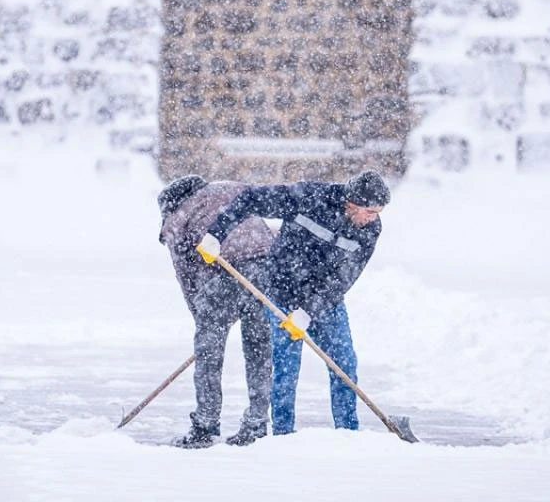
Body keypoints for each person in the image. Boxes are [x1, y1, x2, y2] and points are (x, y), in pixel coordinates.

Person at [196, 169, 390, 435]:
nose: (372, 219)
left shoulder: (370, 230)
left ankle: (347, 434)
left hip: (324, 301)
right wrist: (215, 234)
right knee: (285, 371)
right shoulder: (308, 197)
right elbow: (251, 199)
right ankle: (283, 434)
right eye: (368, 212)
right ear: (351, 202)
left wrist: (309, 311)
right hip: (281, 292)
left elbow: (345, 276)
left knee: (344, 364)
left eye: (377, 213)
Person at [157, 175, 277, 448]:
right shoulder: (231, 188)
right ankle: (256, 424)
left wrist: (205, 323)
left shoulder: (179, 214)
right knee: (258, 349)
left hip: (226, 275)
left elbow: (186, 274)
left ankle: (205, 425)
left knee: (209, 355)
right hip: (267, 269)